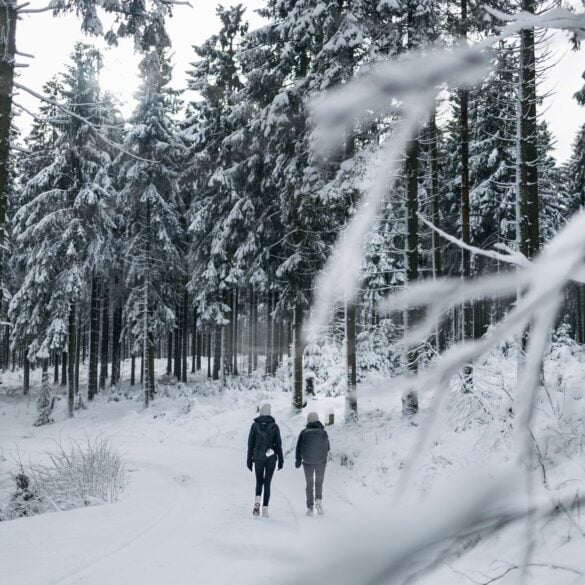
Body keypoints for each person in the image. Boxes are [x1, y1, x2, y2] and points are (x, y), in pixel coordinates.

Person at [246, 403, 284, 518]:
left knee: (259, 482)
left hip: (258, 458)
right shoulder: (274, 426)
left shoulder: (254, 426)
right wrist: (281, 459)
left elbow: (250, 444)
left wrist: (248, 459)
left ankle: (257, 501)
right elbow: (278, 445)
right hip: (271, 459)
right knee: (267, 483)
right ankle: (265, 509)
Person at [295, 412, 330, 516]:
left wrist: (298, 461)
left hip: (307, 462)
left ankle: (310, 507)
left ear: (308, 420)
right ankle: (318, 501)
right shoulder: (323, 432)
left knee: (309, 484)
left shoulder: (304, 432)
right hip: (321, 462)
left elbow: (298, 448)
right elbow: (328, 447)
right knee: (319, 483)